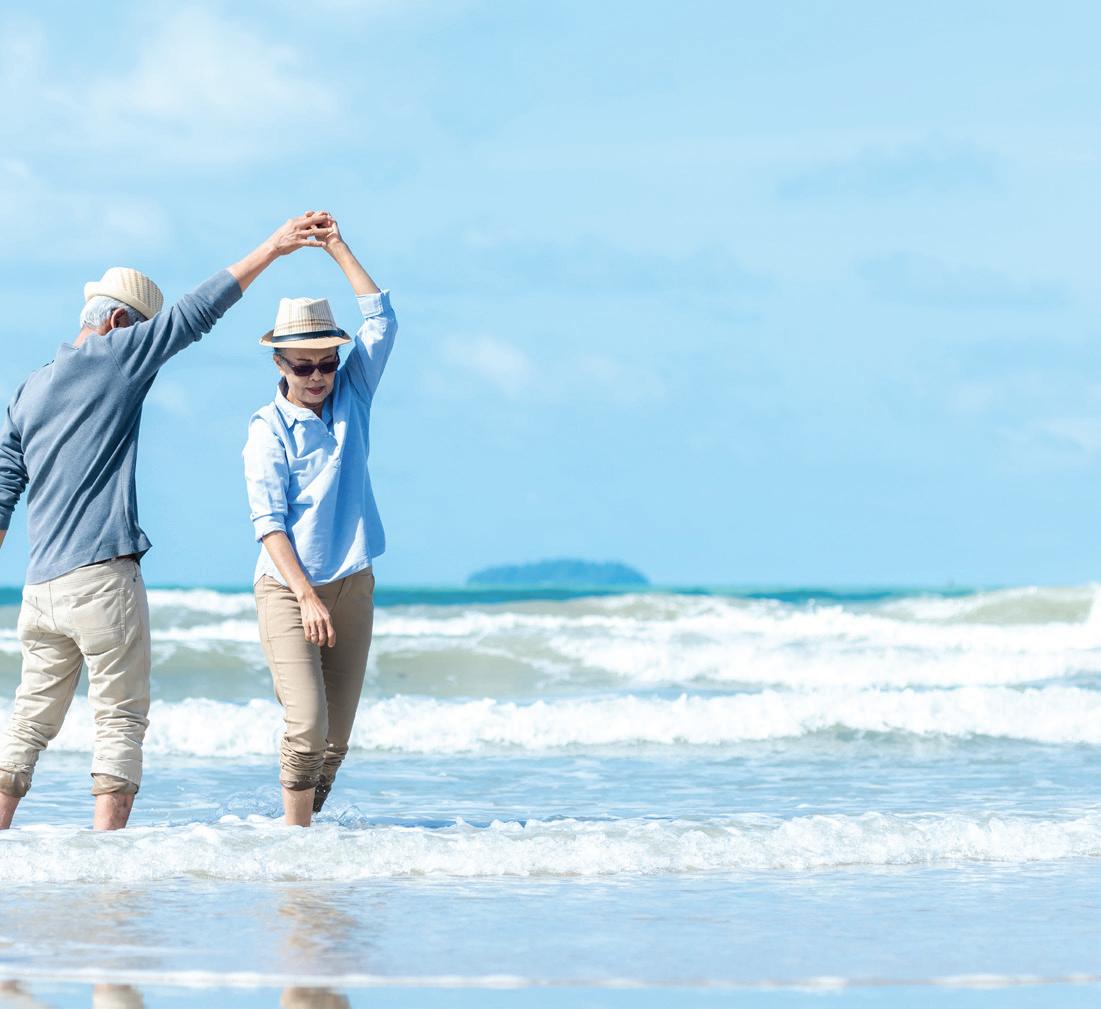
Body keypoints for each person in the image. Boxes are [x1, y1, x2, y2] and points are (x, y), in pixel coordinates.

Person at [0, 212, 336, 831]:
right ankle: (107, 862)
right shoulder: (116, 354)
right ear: (118, 322)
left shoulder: (29, 389)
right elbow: (196, 313)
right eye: (141, 332)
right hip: (101, 578)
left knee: (27, 723)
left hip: (39, 587)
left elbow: (3, 488)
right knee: (119, 722)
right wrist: (275, 247)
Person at [244, 216, 396, 827]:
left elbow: (381, 321)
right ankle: (292, 838)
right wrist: (306, 595)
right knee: (306, 723)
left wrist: (336, 245)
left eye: (326, 364)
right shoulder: (267, 430)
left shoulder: (353, 396)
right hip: (289, 589)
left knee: (336, 739)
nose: (316, 378)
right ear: (280, 364)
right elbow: (269, 522)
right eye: (302, 367)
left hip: (352, 582)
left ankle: (306, 843)